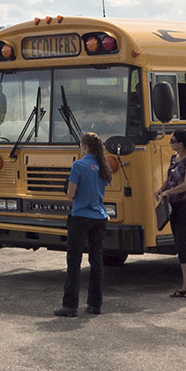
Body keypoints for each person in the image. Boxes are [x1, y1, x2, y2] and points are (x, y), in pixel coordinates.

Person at [56, 131, 113, 317]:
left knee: (74, 261)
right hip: (99, 216)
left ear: (85, 146)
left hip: (80, 216)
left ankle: (70, 305)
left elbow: (71, 194)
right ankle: (95, 303)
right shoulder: (103, 166)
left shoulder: (78, 166)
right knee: (96, 261)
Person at [154, 129, 186, 299]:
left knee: (184, 245)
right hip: (175, 207)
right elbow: (170, 178)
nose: (170, 144)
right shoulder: (174, 158)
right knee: (179, 246)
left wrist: (168, 193)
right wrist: (161, 189)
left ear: (181, 143)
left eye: (172, 141)